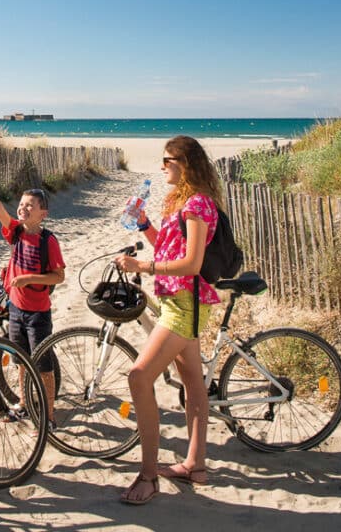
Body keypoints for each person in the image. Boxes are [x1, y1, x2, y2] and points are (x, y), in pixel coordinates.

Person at [114, 135, 221, 504]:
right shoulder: (178, 201)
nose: (162, 167)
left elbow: (191, 264)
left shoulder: (198, 204)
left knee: (139, 376)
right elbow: (167, 247)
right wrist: (144, 224)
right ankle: (195, 464)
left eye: (168, 160)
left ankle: (148, 475)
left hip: (186, 304)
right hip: (175, 300)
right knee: (192, 380)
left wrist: (143, 265)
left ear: (186, 162)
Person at [0, 173, 65, 428]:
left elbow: (58, 276)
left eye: (30, 205)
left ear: (43, 213)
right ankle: (24, 404)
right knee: (20, 360)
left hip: (38, 313)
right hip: (15, 309)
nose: (23, 207)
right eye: (22, 203)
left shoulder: (48, 241)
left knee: (43, 365)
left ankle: (48, 415)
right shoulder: (15, 231)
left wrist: (28, 279)